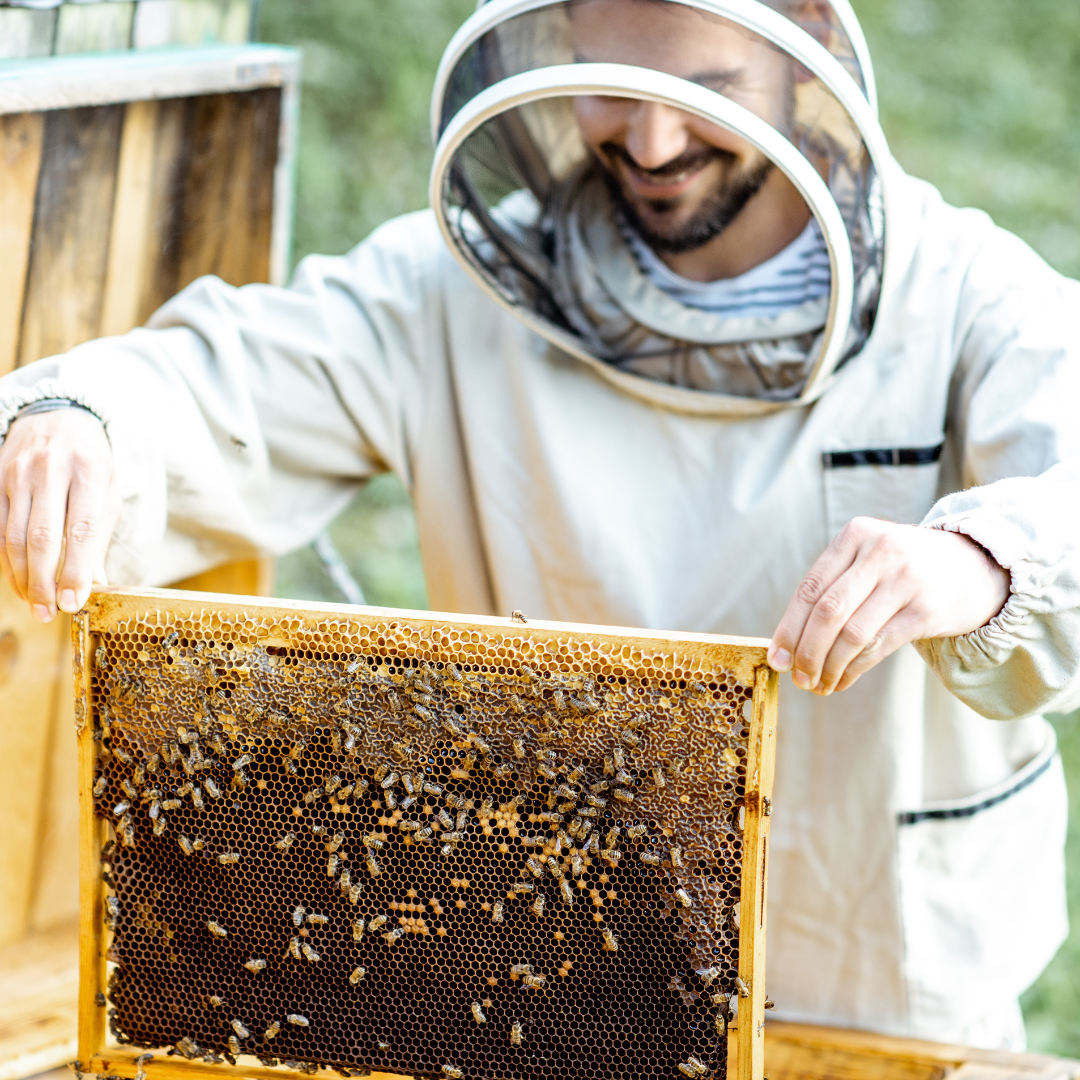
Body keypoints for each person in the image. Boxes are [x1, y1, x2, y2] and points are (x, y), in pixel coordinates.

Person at [0, 0, 1077, 1049]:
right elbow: (227, 383)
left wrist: (983, 559)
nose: (652, 142)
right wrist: (81, 418)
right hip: (559, 991)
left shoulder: (965, 293)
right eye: (615, 87)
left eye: (708, 90)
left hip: (880, 985)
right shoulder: (450, 291)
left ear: (807, 47)